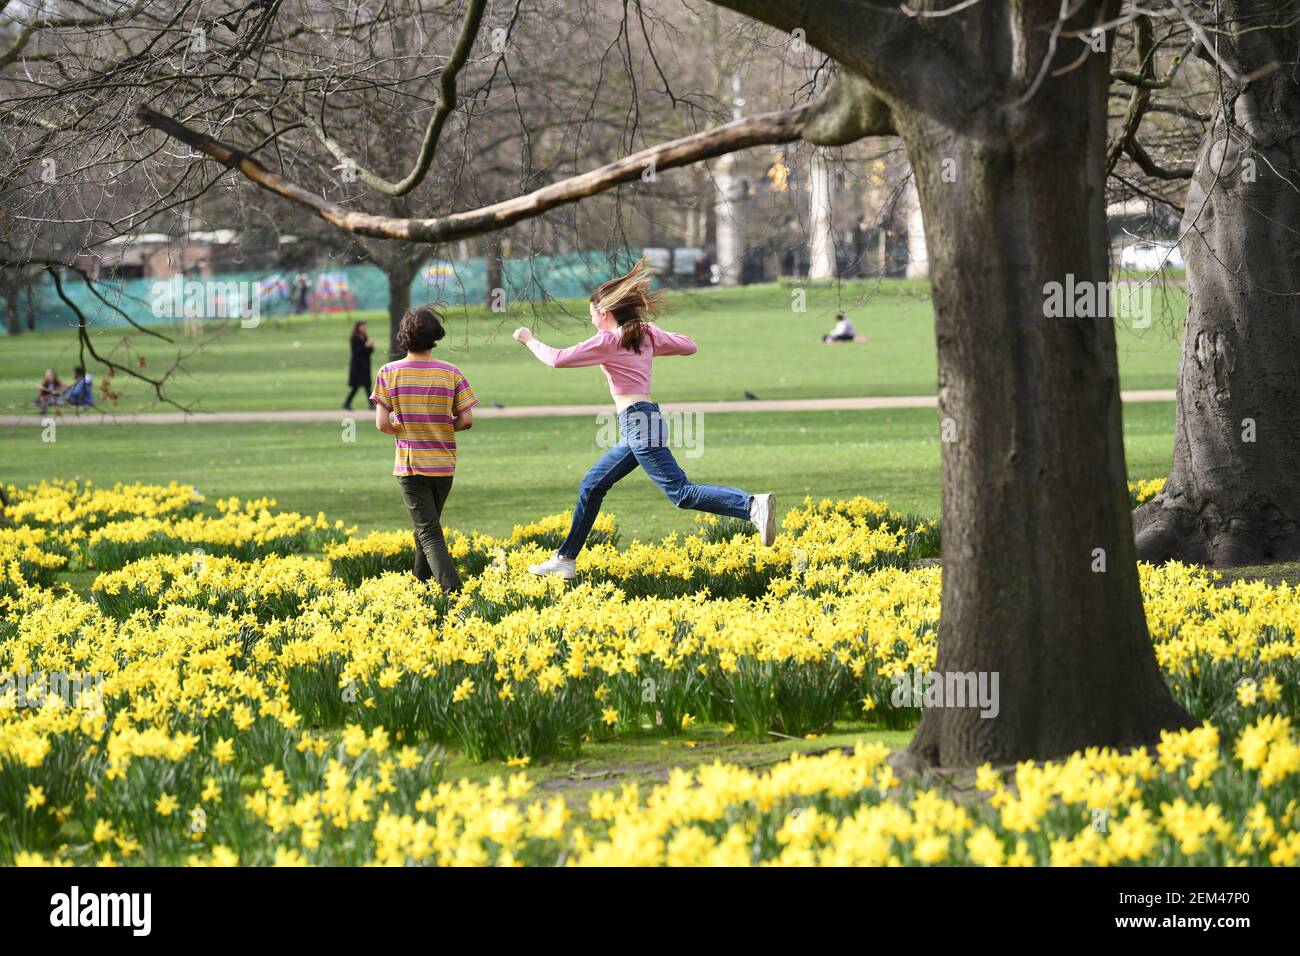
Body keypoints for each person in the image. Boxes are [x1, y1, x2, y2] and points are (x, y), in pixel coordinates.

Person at [513, 258, 777, 580]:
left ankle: (750, 505)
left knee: (680, 493)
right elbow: (689, 346)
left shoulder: (608, 341)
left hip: (639, 424)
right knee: (592, 485)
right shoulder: (645, 334)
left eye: (592, 312)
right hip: (642, 423)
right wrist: (652, 342)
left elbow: (556, 359)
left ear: (604, 313)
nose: (591, 318)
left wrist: (529, 339)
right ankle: (566, 559)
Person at [371, 306, 478, 593]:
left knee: (428, 531)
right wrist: (439, 426)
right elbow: (466, 420)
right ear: (435, 337)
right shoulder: (451, 373)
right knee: (426, 529)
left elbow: (382, 424)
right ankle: (421, 588)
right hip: (444, 465)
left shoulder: (388, 373)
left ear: (404, 337)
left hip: (411, 465)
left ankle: (453, 592)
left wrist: (406, 429)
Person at [344, 321, 375, 410]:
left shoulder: (364, 337)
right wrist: (366, 346)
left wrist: (370, 346)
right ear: (358, 327)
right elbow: (357, 352)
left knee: (367, 386)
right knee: (356, 387)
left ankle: (371, 404)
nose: (364, 328)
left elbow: (368, 352)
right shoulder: (354, 338)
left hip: (365, 366)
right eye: (362, 326)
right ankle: (347, 403)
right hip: (357, 366)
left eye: (365, 326)